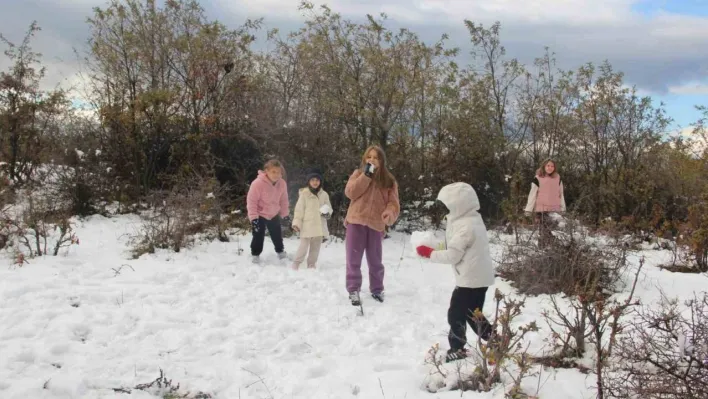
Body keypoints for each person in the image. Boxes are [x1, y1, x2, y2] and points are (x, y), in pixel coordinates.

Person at [415, 182, 496, 363]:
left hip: (470, 279)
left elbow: (453, 255)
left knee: (456, 313)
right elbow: (453, 245)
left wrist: (430, 254)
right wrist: (434, 246)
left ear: (459, 204)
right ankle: (495, 341)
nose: (447, 209)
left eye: (449, 204)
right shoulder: (469, 219)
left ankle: (457, 348)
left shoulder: (466, 226)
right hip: (477, 277)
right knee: (473, 315)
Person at [344, 145, 400, 305]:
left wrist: (389, 213)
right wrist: (366, 175)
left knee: (375, 260)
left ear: (382, 161)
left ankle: (377, 289)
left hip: (376, 224)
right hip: (356, 221)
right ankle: (353, 289)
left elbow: (393, 203)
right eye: (369, 157)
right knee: (353, 258)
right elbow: (350, 193)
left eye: (376, 157)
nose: (372, 160)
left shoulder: (389, 180)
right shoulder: (358, 174)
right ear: (365, 159)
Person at [246, 159, 290, 264]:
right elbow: (251, 201)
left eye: (278, 172)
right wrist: (254, 218)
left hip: (273, 213)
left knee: (277, 234)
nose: (276, 175)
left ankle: (280, 251)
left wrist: (285, 214)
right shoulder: (257, 184)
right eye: (273, 172)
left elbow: (284, 200)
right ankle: (255, 254)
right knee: (258, 235)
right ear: (267, 171)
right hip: (260, 214)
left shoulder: (282, 183)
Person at [291, 170, 332, 270]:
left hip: (319, 226)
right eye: (312, 180)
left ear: (320, 182)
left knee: (315, 248)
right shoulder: (304, 194)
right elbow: (299, 210)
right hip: (307, 226)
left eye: (317, 180)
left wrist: (327, 213)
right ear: (308, 182)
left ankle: (311, 264)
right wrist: (297, 223)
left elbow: (329, 208)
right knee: (303, 247)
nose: (315, 182)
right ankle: (296, 263)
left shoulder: (324, 194)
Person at [524, 158, 566, 247]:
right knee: (543, 232)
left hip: (555, 209)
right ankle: (542, 250)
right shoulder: (538, 178)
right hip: (542, 209)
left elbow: (561, 194)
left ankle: (552, 251)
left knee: (554, 232)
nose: (550, 168)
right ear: (544, 166)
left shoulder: (558, 178)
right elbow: (532, 195)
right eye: (548, 165)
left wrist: (563, 208)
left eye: (552, 166)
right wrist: (528, 210)